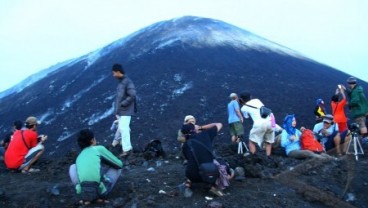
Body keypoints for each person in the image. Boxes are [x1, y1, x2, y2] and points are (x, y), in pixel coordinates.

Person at [69, 129, 123, 205]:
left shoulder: (79, 156)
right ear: (92, 140)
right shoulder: (98, 149)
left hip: (83, 192)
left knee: (73, 167)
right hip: (100, 191)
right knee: (117, 169)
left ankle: (87, 198)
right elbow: (119, 164)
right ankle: (99, 197)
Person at [181, 122, 226, 197]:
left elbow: (188, 159)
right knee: (222, 164)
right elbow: (219, 124)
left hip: (192, 176)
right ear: (195, 129)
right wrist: (201, 127)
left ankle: (188, 183)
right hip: (210, 173)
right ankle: (211, 185)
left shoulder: (185, 145)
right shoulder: (205, 134)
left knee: (192, 164)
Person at [112, 63, 137, 157]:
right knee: (123, 128)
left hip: (126, 109)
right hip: (122, 110)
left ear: (118, 72)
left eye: (114, 73)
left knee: (123, 128)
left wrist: (123, 104)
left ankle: (127, 150)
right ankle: (125, 148)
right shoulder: (121, 82)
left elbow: (132, 95)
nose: (113, 75)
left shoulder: (127, 82)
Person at [239, 92, 274, 156]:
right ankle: (268, 157)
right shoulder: (257, 100)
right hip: (270, 122)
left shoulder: (243, 108)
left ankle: (253, 157)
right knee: (268, 142)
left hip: (260, 124)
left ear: (241, 99)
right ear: (250, 97)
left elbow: (246, 117)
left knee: (251, 142)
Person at [345, 76, 368, 144]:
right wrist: (346, 91)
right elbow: (353, 94)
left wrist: (348, 104)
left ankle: (365, 139)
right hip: (364, 110)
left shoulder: (355, 91)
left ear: (349, 83)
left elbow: (355, 101)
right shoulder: (358, 90)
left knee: (361, 124)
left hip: (359, 111)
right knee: (364, 123)